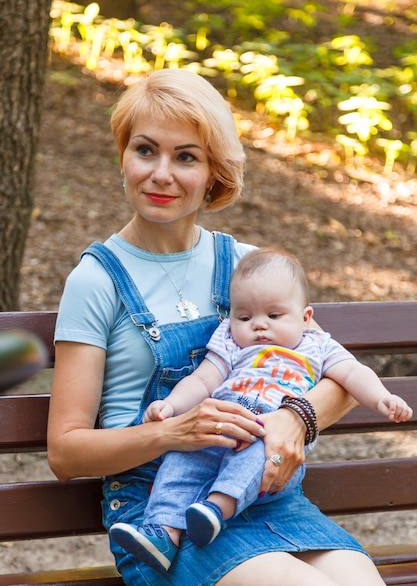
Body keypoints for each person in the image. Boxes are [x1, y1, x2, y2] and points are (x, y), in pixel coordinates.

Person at [47, 67, 388, 586]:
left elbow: (333, 372)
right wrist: (172, 431)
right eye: (145, 150)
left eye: (186, 157)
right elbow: (65, 452)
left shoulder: (246, 267)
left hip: (263, 493)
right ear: (123, 157)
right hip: (164, 515)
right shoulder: (97, 281)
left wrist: (295, 418)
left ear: (214, 174)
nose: (161, 173)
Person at [109, 246, 412, 571]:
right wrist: (169, 406)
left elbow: (352, 375)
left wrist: (381, 397)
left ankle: (216, 509)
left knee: (258, 455)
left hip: (267, 436)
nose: (258, 326)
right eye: (245, 317)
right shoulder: (230, 341)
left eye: (274, 315)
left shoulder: (317, 345)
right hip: (217, 427)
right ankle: (162, 534)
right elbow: (202, 380)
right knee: (180, 462)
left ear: (306, 318)